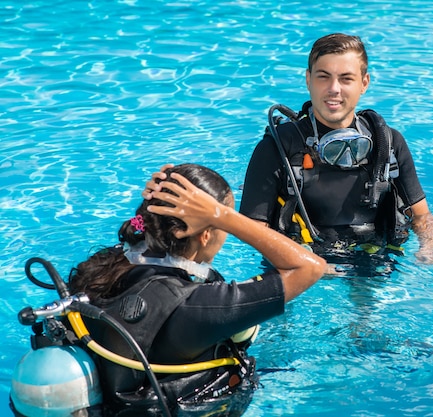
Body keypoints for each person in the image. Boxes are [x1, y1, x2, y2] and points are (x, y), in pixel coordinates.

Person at [67, 164, 326, 416]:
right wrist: (222, 216)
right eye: (224, 229)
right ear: (205, 235)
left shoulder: (101, 266)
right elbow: (310, 267)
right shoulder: (197, 305)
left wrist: (157, 204)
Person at [239, 33, 433, 266]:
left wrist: (428, 250)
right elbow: (252, 230)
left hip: (372, 255)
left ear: (364, 83)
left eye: (346, 79)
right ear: (308, 80)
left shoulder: (389, 143)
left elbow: (422, 215)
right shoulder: (277, 147)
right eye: (323, 77)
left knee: (368, 299)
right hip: (298, 264)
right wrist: (309, 265)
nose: (334, 89)